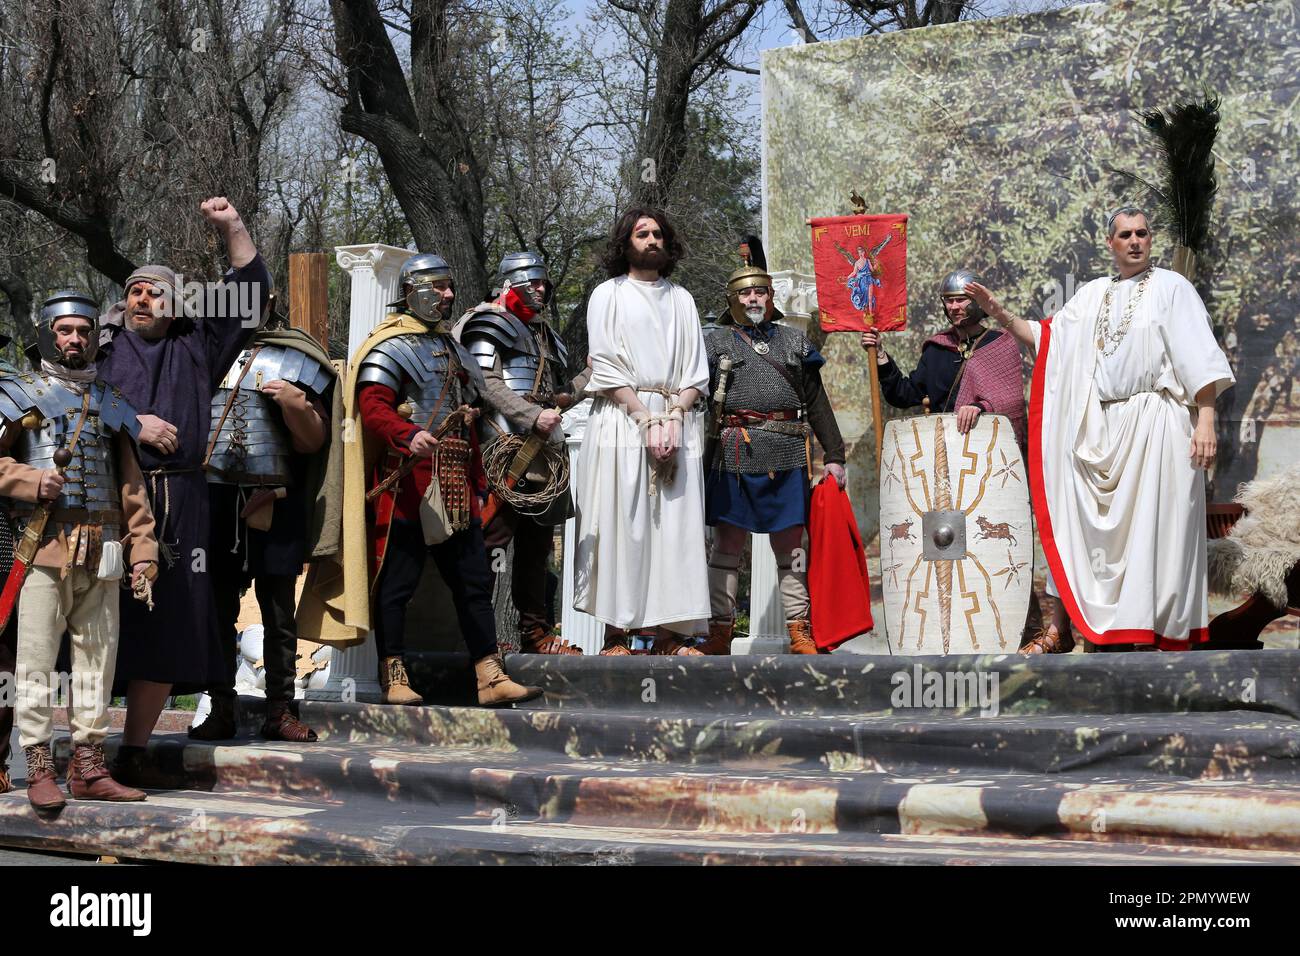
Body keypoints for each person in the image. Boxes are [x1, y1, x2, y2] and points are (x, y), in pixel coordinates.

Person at [966, 206, 1234, 651]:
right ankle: (1079, 630)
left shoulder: (1173, 288)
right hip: (1105, 426)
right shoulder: (1093, 295)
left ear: (1150, 240)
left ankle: (1155, 634)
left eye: (1142, 233)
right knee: (1086, 527)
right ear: (1110, 243)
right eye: (1125, 234)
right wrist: (997, 311)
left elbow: (1199, 357)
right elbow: (1045, 338)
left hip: (1159, 424)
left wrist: (1205, 417)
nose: (1135, 241)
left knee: (1158, 531)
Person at [96, 197, 271, 782]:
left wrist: (233, 228)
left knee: (168, 624)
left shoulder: (197, 344)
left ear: (176, 306)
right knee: (96, 620)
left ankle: (135, 748)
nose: (141, 299)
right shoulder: (98, 346)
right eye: (134, 291)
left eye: (154, 292)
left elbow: (249, 291)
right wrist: (131, 420)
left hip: (184, 502)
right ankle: (85, 749)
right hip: (108, 500)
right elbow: (63, 397)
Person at [345, 252, 541, 705]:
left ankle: (490, 677)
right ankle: (394, 677)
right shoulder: (389, 346)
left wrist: (478, 481)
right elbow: (372, 407)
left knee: (474, 581)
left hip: (455, 480)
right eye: (439, 286)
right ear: (412, 291)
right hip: (406, 483)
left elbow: (469, 422)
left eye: (450, 286)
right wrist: (407, 434)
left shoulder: (454, 348)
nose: (450, 294)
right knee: (397, 583)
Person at [0, 290, 158, 809]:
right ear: (47, 333)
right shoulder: (17, 393)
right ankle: (39, 765)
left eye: (84, 331)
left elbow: (132, 488)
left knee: (98, 661)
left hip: (105, 548)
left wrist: (144, 552)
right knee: (37, 662)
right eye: (65, 331)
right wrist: (29, 481)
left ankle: (89, 766)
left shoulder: (113, 401)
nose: (75, 339)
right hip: (44, 547)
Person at [572, 207, 711, 656]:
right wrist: (643, 418)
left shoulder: (683, 299)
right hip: (621, 417)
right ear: (625, 242)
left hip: (676, 417)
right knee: (621, 519)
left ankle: (672, 635)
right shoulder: (607, 295)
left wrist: (672, 417)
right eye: (641, 233)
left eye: (657, 234)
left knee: (675, 526)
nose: (651, 240)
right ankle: (617, 634)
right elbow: (606, 364)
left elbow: (696, 371)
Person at [189, 317, 335, 742]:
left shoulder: (294, 357)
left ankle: (280, 711)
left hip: (275, 497)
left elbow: (313, 442)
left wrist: (294, 402)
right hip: (215, 499)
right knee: (217, 611)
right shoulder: (202, 354)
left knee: (278, 613)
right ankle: (220, 706)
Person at [699, 258, 846, 655]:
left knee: (792, 548)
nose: (753, 298)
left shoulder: (794, 342)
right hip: (733, 453)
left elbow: (816, 402)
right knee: (726, 547)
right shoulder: (714, 343)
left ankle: (799, 630)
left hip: (785, 453)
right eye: (745, 292)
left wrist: (835, 453)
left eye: (759, 291)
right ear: (732, 298)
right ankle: (720, 630)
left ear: (770, 296)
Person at [455, 252, 591, 655]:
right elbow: (486, 383)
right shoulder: (488, 322)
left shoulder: (546, 335)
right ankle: (477, 638)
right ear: (510, 282)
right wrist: (532, 416)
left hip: (543, 453)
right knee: (492, 541)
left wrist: (592, 375)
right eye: (532, 282)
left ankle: (536, 633)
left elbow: (557, 395)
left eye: (544, 283)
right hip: (501, 447)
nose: (541, 289)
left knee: (538, 545)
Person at [861, 268, 1026, 446]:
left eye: (961, 300)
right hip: (946, 450)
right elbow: (903, 395)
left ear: (978, 302)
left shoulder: (1000, 344)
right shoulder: (937, 349)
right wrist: (879, 353)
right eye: (949, 300)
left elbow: (1012, 403)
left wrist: (981, 407)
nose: (954, 307)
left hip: (989, 449)